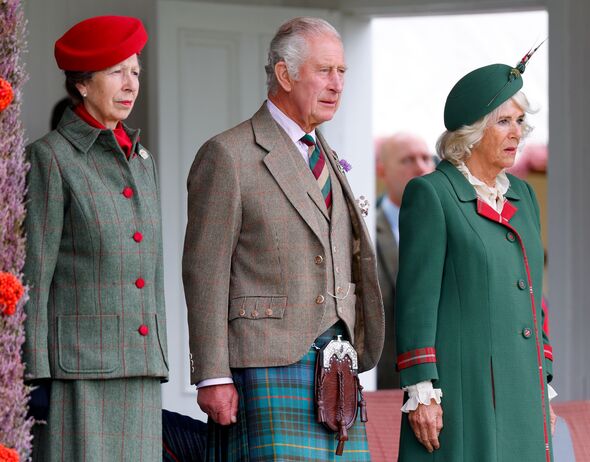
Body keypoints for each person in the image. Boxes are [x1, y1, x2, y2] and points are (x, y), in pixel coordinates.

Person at [182, 16, 384, 461]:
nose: (337, 83)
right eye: (324, 70)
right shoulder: (229, 154)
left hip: (337, 368)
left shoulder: (327, 153)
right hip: (266, 365)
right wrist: (212, 375)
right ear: (284, 74)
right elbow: (204, 270)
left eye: (343, 72)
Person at [395, 55, 556, 461]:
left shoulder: (524, 195)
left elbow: (533, 298)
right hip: (464, 397)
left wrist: (544, 385)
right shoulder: (432, 194)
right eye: (503, 121)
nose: (516, 133)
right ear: (470, 131)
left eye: (520, 122)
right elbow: (416, 302)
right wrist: (421, 391)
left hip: (523, 391)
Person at [23, 16, 168, 461]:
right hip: (79, 373)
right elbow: (35, 272)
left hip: (140, 368)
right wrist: (35, 374)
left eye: (136, 72)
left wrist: (159, 354)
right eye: (116, 72)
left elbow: (154, 269)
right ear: (83, 84)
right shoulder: (50, 157)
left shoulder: (142, 160)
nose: (130, 85)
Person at [375, 133, 435, 389]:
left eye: (426, 158)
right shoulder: (365, 228)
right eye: (407, 160)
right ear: (381, 170)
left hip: (444, 382)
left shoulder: (451, 226)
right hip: (384, 382)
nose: (421, 167)